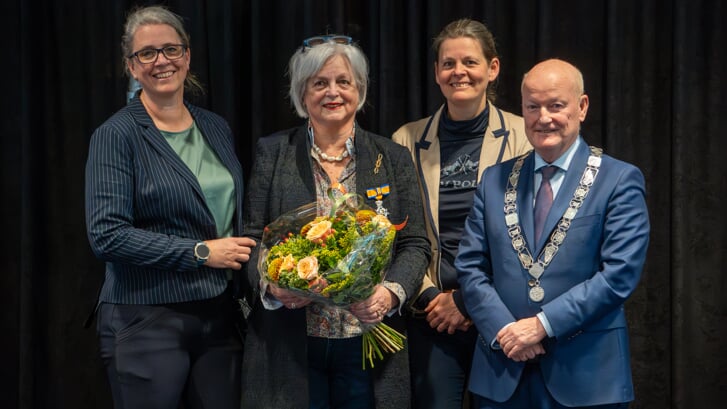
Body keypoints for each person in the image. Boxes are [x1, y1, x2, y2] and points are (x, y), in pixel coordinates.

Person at [240, 34, 431, 409]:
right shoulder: (273, 153)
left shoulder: (392, 157)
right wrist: (273, 287)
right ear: (302, 94)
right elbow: (251, 239)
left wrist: (388, 293)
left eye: (344, 81)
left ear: (359, 90)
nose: (333, 92)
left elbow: (414, 243)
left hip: (368, 342)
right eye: (319, 83)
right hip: (292, 345)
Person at [84, 6, 256, 409]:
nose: (161, 60)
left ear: (188, 56)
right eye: (147, 53)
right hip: (145, 316)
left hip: (219, 316)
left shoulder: (214, 126)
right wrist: (200, 253)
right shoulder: (115, 135)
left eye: (171, 49)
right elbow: (106, 235)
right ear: (131, 66)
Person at [455, 58, 650, 408]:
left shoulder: (619, 180)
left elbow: (619, 275)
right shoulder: (493, 180)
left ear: (582, 107)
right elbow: (470, 267)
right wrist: (506, 331)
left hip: (587, 377)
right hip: (502, 370)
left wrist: (542, 324)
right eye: (533, 107)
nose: (543, 117)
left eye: (556, 105)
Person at [392, 18, 531, 409]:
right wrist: (432, 297)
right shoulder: (405, 141)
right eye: (448, 63)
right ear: (436, 73)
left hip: (504, 314)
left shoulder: (525, 137)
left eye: (469, 62)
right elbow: (395, 233)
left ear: (493, 68)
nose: (459, 72)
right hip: (432, 315)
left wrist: (469, 302)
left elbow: (532, 238)